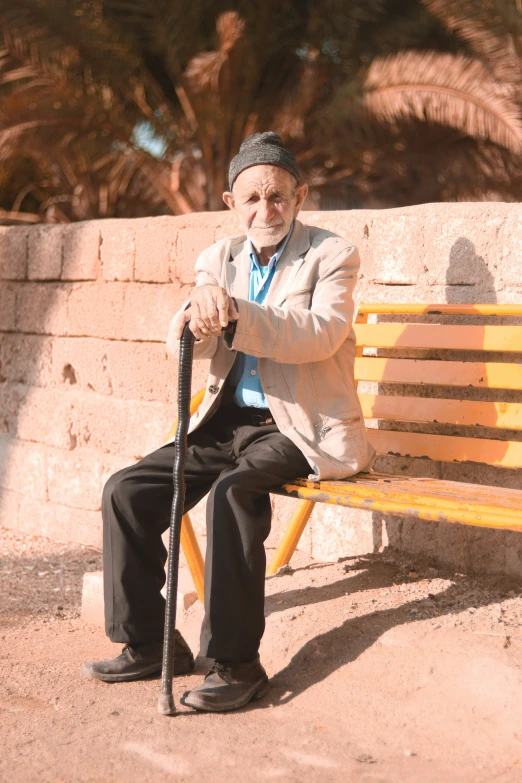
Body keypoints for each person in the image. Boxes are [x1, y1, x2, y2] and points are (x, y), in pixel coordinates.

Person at [82, 131, 375, 712]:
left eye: (277, 196)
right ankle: (148, 643)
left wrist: (239, 311)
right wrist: (194, 315)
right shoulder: (217, 258)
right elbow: (180, 338)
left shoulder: (332, 254)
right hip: (224, 422)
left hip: (299, 426)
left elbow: (321, 334)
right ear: (229, 203)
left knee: (232, 494)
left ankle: (237, 665)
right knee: (126, 491)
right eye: (251, 198)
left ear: (300, 196)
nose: (264, 209)